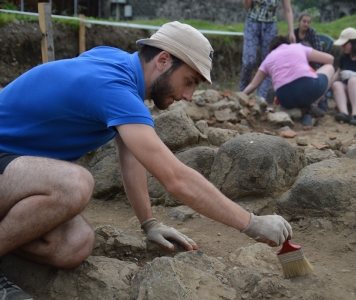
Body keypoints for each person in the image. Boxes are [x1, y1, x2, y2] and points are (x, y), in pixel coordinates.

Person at [0, 21, 292, 299]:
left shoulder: (116, 63)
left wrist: (149, 224)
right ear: (163, 60)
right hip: (8, 163)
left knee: (76, 245)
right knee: (74, 184)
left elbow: (131, 156)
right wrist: (251, 223)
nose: (189, 95)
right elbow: (176, 178)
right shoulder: (115, 90)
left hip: (15, 174)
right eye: (188, 81)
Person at [242, 35, 335, 128]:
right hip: (307, 88)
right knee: (329, 67)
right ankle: (313, 105)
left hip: (285, 98)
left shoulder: (268, 59)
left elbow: (253, 84)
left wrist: (239, 98)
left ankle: (306, 110)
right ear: (287, 43)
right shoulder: (297, 47)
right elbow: (330, 59)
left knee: (295, 91)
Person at [240, 0, 296, 101]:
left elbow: (287, 10)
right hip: (252, 23)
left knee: (268, 63)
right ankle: (242, 93)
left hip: (270, 26)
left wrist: (291, 31)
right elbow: (248, 6)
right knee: (249, 61)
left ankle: (261, 97)